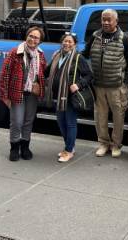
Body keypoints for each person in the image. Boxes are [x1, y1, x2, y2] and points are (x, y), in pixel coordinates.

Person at [82, 9, 128, 158]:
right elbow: (85, 54)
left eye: (109, 20)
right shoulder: (95, 36)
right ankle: (104, 143)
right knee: (100, 116)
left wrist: (125, 81)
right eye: (103, 19)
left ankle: (116, 145)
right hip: (98, 85)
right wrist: (68, 52)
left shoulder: (124, 38)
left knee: (118, 116)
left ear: (116, 21)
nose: (105, 22)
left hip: (116, 86)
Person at [0, 26, 47, 162]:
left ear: (40, 41)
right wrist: (4, 95)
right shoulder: (16, 52)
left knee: (28, 121)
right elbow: (5, 74)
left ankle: (25, 147)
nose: (32, 39)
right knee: (17, 122)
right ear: (27, 36)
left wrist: (41, 87)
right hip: (17, 92)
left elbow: (43, 73)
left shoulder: (40, 55)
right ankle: (14, 148)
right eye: (31, 36)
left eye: (36, 37)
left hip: (32, 94)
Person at [45, 33, 92, 163]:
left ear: (74, 44)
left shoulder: (78, 58)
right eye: (65, 41)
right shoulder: (57, 56)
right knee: (61, 122)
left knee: (70, 123)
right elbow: (46, 71)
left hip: (70, 97)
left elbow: (89, 75)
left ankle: (69, 150)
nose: (67, 44)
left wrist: (78, 84)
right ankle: (69, 147)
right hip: (58, 96)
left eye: (70, 42)